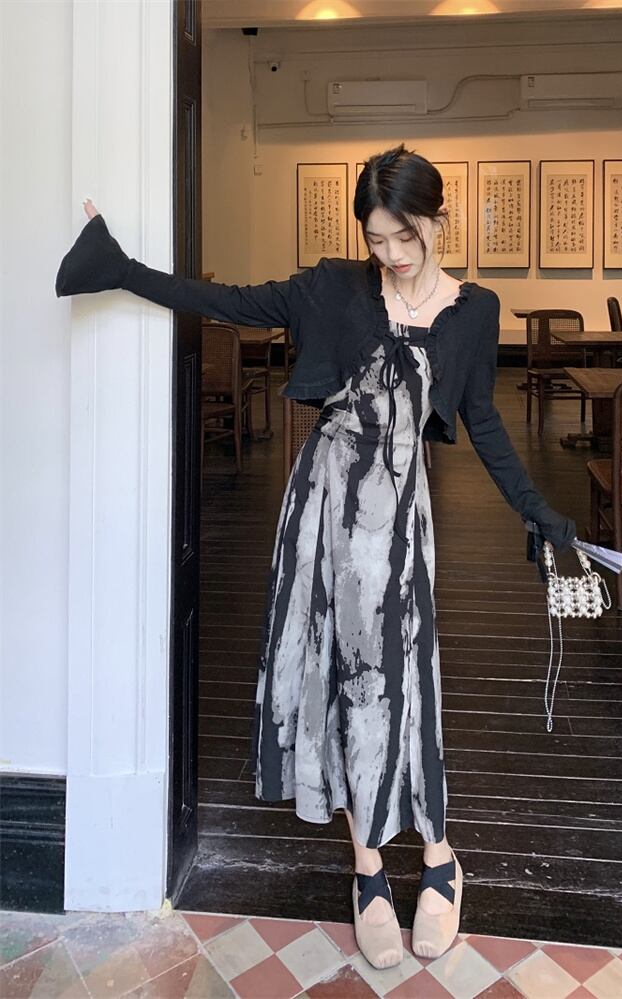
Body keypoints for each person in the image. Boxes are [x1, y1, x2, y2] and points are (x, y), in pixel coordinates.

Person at [56, 145, 574, 970]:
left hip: (401, 519)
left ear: (438, 220)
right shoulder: (331, 288)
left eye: (406, 236)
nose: (393, 255)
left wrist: (537, 509)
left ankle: (440, 854)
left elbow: (482, 419)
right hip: (326, 509)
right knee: (342, 677)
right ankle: (368, 867)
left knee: (409, 680)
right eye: (377, 239)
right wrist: (122, 270)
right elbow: (227, 300)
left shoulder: (474, 311)